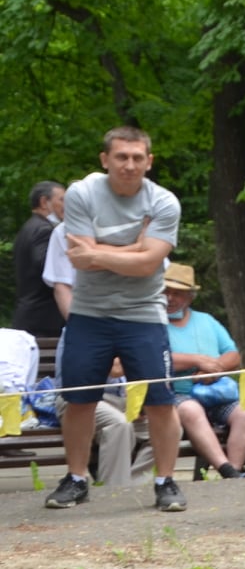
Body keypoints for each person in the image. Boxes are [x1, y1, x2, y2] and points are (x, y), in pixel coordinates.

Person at [45, 128, 187, 514]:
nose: (129, 165)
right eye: (121, 157)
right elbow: (78, 255)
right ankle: (76, 479)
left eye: (138, 158)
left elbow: (146, 266)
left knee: (160, 401)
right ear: (105, 159)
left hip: (144, 314)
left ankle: (166, 481)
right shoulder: (82, 193)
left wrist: (108, 253)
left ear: (149, 162)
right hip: (89, 313)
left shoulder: (163, 202)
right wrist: (137, 248)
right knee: (79, 400)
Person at [41, 220, 145, 488]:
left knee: (169, 424)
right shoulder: (81, 325)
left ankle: (132, 482)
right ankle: (114, 492)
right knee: (119, 425)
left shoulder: (133, 324)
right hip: (82, 400)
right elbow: (111, 369)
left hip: (121, 399)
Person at [162, 263, 245, 480]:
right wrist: (196, 360)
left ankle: (233, 473)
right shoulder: (154, 324)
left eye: (177, 293)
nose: (170, 298)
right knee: (191, 410)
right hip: (178, 395)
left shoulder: (206, 320)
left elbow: (233, 355)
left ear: (190, 296)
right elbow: (154, 360)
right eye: (166, 292)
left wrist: (215, 370)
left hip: (215, 392)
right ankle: (227, 470)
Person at [12, 181, 65, 338]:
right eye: (62, 199)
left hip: (31, 317)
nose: (67, 205)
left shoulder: (28, 227)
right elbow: (47, 267)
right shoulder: (44, 230)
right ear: (44, 202)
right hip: (44, 321)